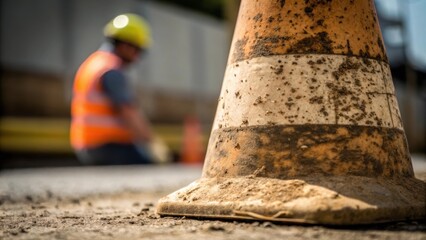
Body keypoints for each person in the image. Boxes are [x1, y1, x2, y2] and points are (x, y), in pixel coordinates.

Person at [70, 13, 155, 165]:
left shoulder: (93, 62)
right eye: (138, 51)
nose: (137, 57)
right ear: (126, 45)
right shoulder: (112, 70)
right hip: (107, 146)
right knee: (148, 166)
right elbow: (128, 112)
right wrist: (152, 143)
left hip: (85, 145)